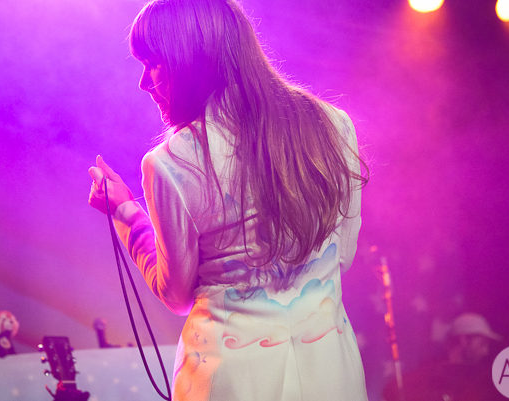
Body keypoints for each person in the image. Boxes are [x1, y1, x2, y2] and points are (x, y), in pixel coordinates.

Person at [88, 0, 369, 400]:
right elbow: (343, 255)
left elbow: (176, 295)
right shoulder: (335, 125)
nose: (144, 83)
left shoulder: (171, 162)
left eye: (153, 63)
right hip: (330, 372)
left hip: (231, 379)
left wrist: (125, 212)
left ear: (191, 60)